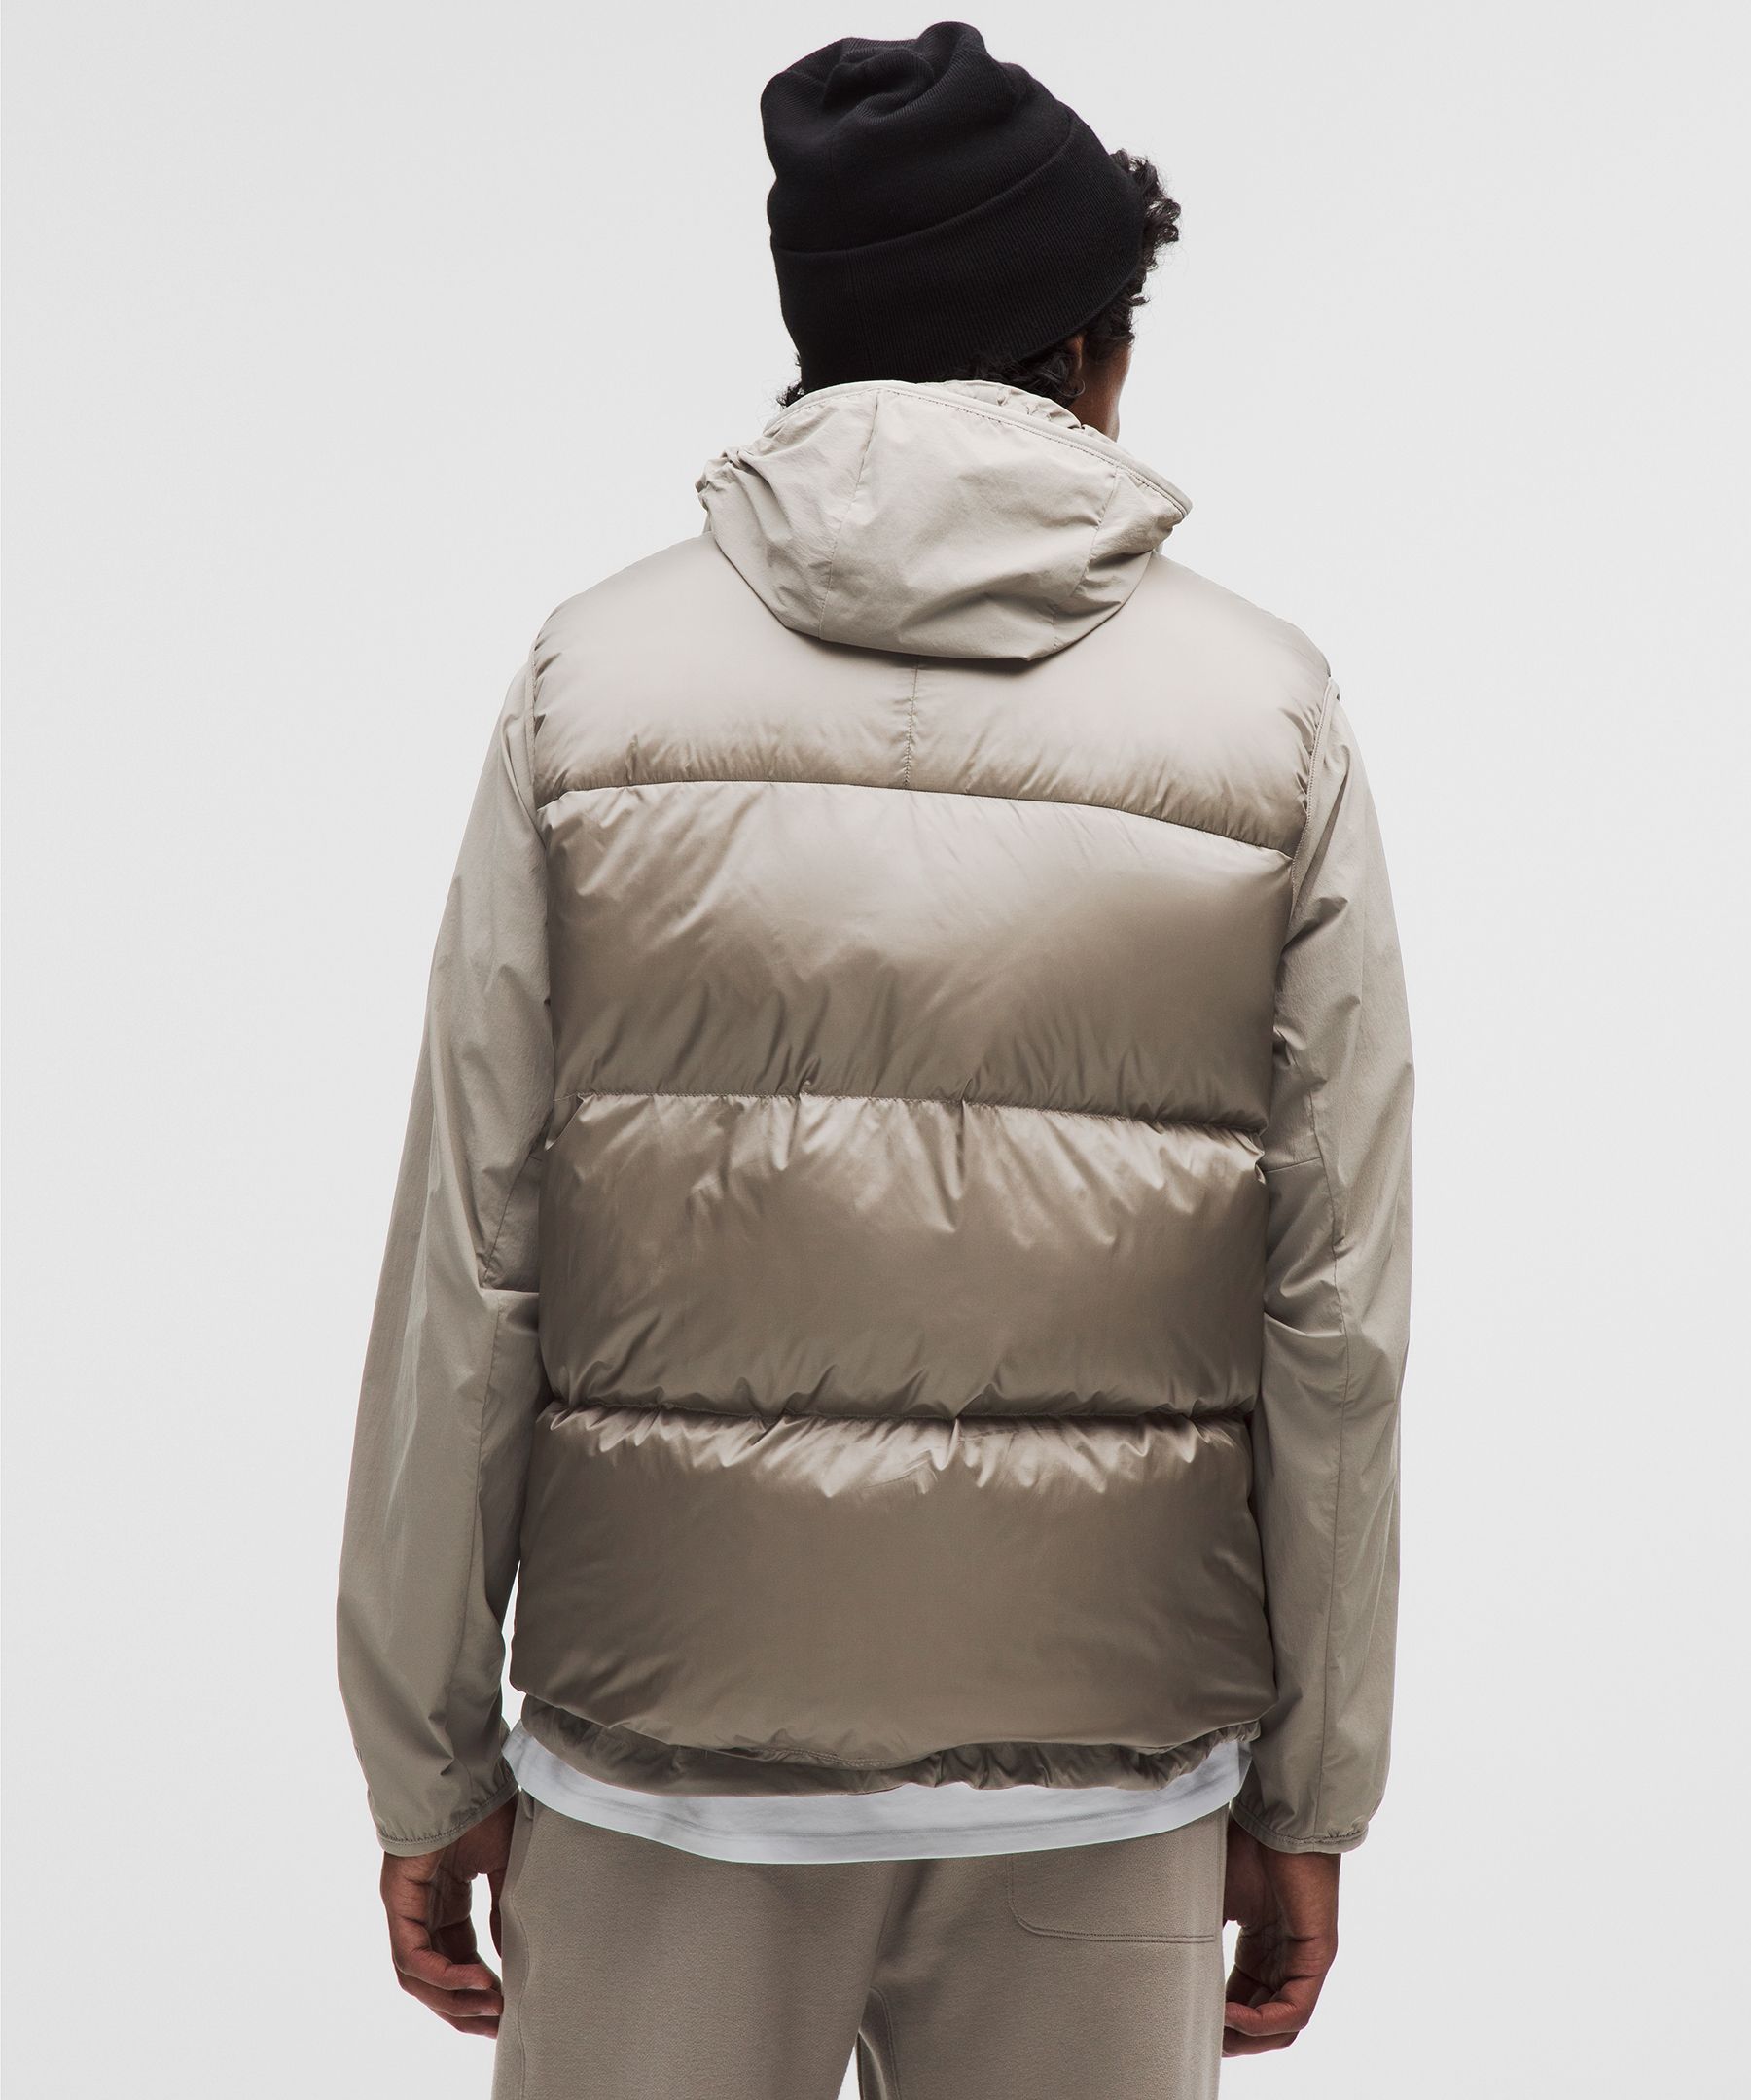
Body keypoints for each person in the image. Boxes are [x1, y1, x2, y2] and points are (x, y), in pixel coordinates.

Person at [337, 20, 1414, 2098]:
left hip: (660, 1769)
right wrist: (1318, 1783)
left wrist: (424, 1756)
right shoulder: (1265, 712)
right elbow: (1335, 1307)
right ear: (1087, 351)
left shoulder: (592, 682)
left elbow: (467, 1256)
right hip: (1105, 1774)